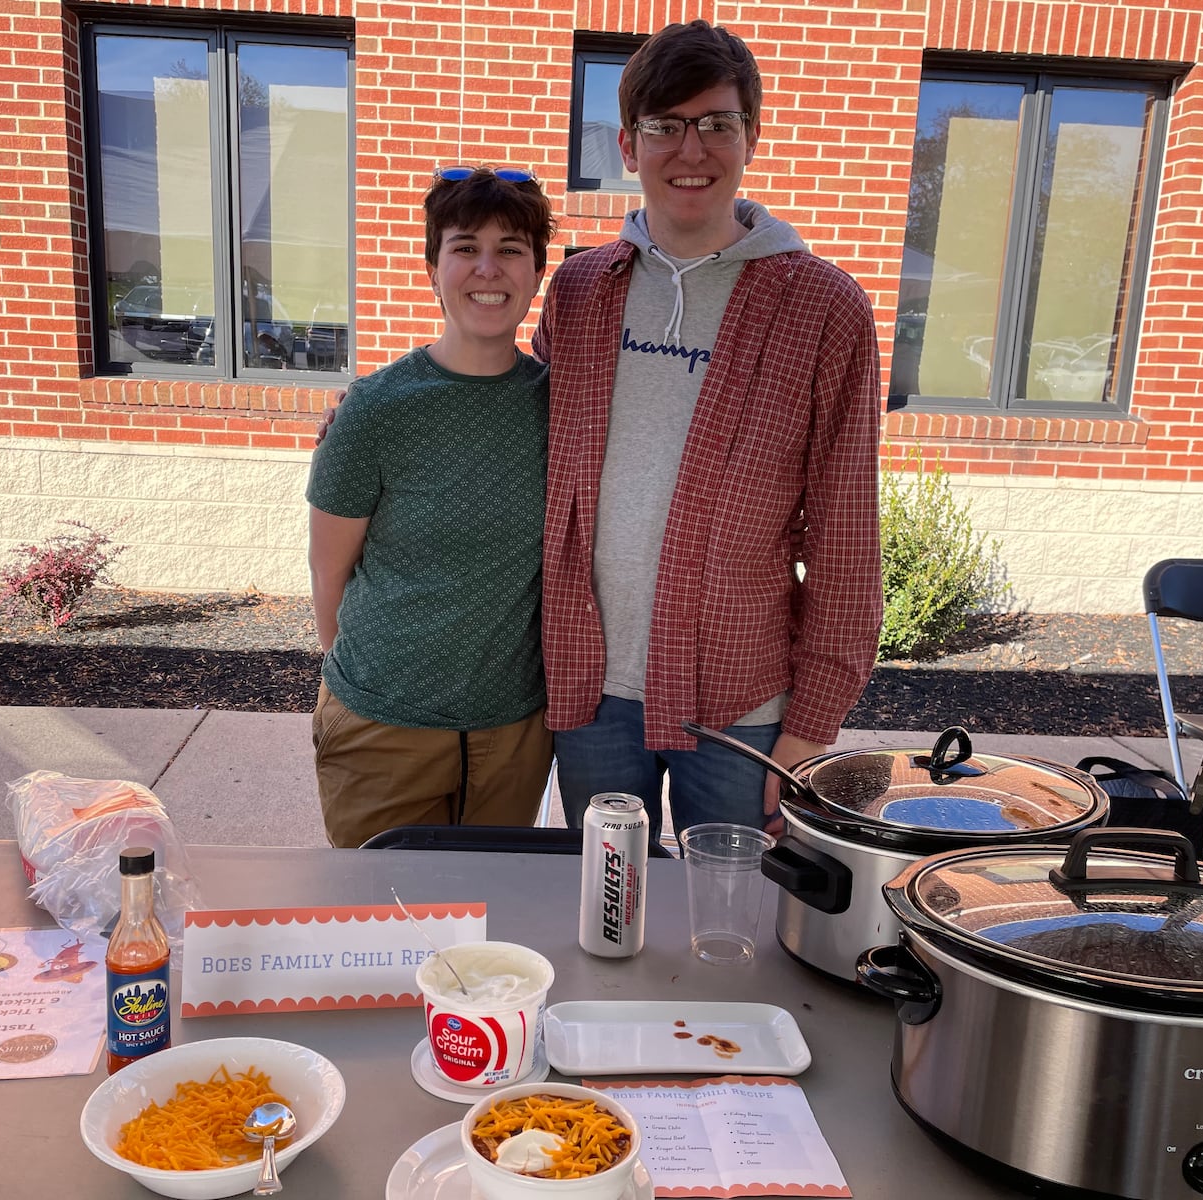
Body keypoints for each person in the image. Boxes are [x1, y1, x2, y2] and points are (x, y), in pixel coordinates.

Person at [533, 20, 883, 837]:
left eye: (717, 123)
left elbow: (844, 527)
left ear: (751, 137)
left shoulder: (824, 308)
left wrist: (812, 722)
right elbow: (521, 435)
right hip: (590, 692)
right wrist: (383, 412)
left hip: (741, 705)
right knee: (603, 917)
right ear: (628, 143)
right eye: (665, 126)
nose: (691, 149)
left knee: (734, 931)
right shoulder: (581, 291)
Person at [306, 167, 557, 848]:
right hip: (384, 729)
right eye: (464, 246)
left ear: (536, 272)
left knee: (488, 933)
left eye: (511, 249)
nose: (488, 268)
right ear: (432, 267)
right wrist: (371, 691)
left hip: (513, 734)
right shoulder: (376, 411)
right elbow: (328, 575)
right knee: (382, 931)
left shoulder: (564, 407)